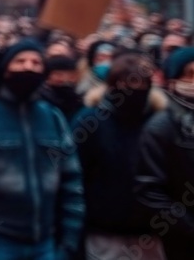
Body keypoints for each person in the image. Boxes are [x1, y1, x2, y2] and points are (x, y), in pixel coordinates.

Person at [0, 41, 85, 259]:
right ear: (5, 70)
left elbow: (72, 182)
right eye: (20, 61)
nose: (28, 67)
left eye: (36, 62)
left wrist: (69, 241)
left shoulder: (53, 117)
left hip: (46, 242)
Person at [74, 53, 166, 260]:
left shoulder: (160, 123)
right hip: (104, 232)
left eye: (141, 84)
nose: (133, 90)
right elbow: (75, 176)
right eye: (125, 83)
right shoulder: (90, 122)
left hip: (150, 234)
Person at [136, 47, 194, 259]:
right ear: (172, 82)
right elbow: (150, 190)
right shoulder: (161, 127)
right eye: (190, 74)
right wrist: (188, 226)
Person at [40, 54, 84, 122]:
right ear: (47, 77)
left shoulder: (80, 101)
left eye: (71, 76)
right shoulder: (41, 101)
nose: (65, 79)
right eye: (58, 74)